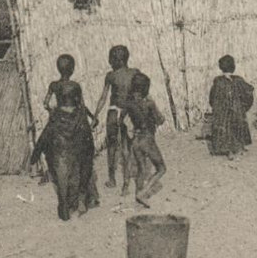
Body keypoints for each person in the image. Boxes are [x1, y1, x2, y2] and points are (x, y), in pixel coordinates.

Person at [30, 82, 101, 220]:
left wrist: (34, 157)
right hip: (78, 152)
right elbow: (88, 136)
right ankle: (81, 197)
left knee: (59, 172)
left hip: (61, 154)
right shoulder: (81, 113)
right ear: (76, 98)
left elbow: (44, 136)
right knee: (86, 165)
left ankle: (63, 204)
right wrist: (90, 152)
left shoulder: (55, 115)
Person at [95, 45, 139, 193]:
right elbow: (140, 95)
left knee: (112, 146)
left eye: (111, 59)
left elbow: (103, 98)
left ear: (115, 60)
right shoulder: (135, 73)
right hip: (129, 113)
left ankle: (112, 179)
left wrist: (95, 115)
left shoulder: (111, 76)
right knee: (127, 148)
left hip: (113, 113)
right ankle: (126, 184)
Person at [127, 72, 167, 205]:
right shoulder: (149, 104)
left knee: (141, 169)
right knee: (161, 168)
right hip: (147, 139)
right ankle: (143, 193)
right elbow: (160, 120)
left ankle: (138, 196)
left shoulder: (130, 104)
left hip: (136, 140)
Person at [206, 55, 255, 158]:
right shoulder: (238, 80)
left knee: (227, 130)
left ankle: (229, 151)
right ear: (234, 67)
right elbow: (249, 92)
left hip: (223, 114)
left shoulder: (218, 82)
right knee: (238, 127)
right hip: (237, 111)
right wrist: (244, 107)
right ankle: (239, 147)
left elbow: (212, 98)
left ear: (220, 67)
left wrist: (217, 109)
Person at [43, 52, 95, 123]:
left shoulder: (53, 85)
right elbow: (82, 106)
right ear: (72, 69)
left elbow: (45, 104)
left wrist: (52, 111)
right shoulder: (75, 85)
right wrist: (92, 117)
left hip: (59, 120)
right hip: (73, 121)